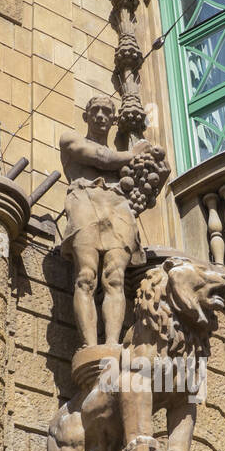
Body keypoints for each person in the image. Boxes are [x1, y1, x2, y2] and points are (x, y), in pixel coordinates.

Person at [59, 96, 153, 348]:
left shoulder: (124, 165)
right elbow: (97, 156)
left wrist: (152, 163)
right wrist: (132, 154)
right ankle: (89, 346)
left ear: (113, 120)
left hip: (117, 207)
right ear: (86, 116)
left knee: (114, 278)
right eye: (95, 111)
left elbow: (153, 176)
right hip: (85, 201)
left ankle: (112, 344)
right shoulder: (70, 139)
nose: (100, 115)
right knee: (85, 276)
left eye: (106, 112)